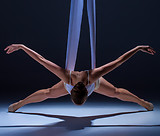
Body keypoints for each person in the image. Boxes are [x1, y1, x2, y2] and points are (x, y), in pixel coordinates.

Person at [5, 44, 156, 112]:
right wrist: (22, 47)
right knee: (48, 92)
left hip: (91, 83)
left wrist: (137, 48)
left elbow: (41, 60)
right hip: (82, 83)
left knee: (116, 92)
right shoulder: (69, 78)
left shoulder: (89, 77)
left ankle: (143, 103)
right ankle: (19, 104)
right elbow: (118, 62)